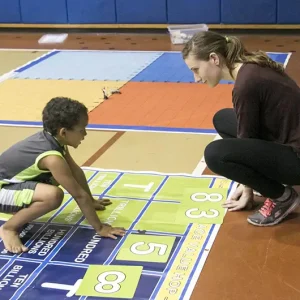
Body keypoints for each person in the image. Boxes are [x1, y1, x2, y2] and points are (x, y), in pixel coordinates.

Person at [182, 30, 300, 227]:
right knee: (222, 118)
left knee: (215, 154)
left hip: (297, 158)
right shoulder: (250, 68)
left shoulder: (245, 86)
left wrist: (247, 187)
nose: (196, 78)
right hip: (289, 139)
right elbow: (248, 135)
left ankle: (282, 197)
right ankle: (278, 184)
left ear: (214, 59)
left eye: (196, 69)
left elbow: (246, 142)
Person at [0, 97, 125, 253]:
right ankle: (9, 228)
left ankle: (21, 209)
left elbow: (76, 172)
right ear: (64, 132)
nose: (85, 134)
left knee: (63, 175)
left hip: (11, 186)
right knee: (53, 195)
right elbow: (78, 195)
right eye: (82, 130)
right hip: (3, 190)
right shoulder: (52, 158)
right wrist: (99, 228)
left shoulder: (55, 141)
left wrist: (91, 201)